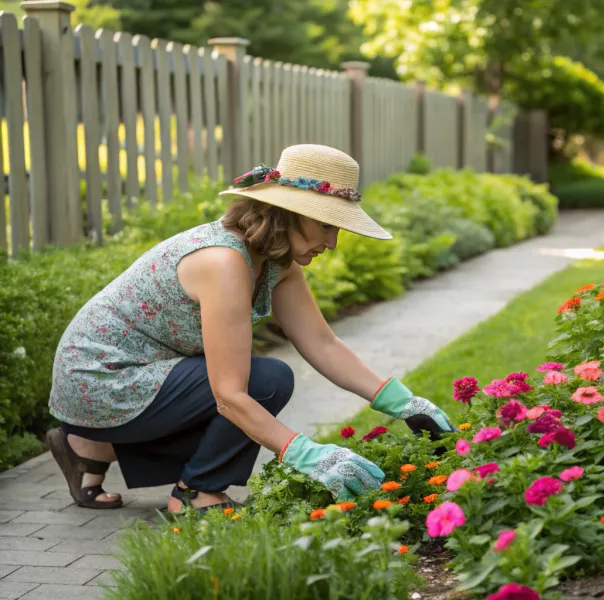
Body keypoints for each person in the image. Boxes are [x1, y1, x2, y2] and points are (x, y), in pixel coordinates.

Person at [46, 144, 455, 513]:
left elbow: (322, 343)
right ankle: (194, 494)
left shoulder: (277, 262)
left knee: (258, 383)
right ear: (293, 215)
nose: (332, 243)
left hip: (141, 376)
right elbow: (228, 395)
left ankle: (90, 450)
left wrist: (404, 402)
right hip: (99, 379)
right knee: (264, 382)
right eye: (328, 226)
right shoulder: (224, 262)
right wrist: (309, 456)